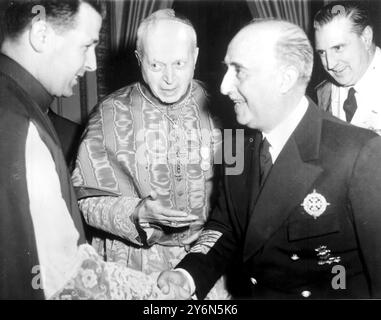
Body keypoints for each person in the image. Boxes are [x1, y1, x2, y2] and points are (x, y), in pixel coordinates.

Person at [158, 18, 381, 299]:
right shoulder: (236, 143)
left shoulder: (360, 153)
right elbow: (225, 226)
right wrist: (187, 275)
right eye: (228, 69)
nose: (225, 86)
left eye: (239, 72)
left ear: (285, 78)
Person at [0, 0, 182, 300]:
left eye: (178, 62)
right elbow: (62, 278)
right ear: (41, 35)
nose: (92, 64)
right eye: (86, 46)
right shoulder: (25, 126)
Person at [72, 9, 229, 299]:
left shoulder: (228, 110)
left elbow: (245, 197)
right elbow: (85, 199)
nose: (169, 78)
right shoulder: (108, 114)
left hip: (207, 267)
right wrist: (137, 212)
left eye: (179, 63)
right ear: (139, 59)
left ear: (194, 57)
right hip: (136, 267)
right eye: (156, 65)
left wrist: (215, 230)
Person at [314, 1, 381, 133]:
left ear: (366, 38)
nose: (330, 64)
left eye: (338, 48)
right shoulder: (322, 93)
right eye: (322, 52)